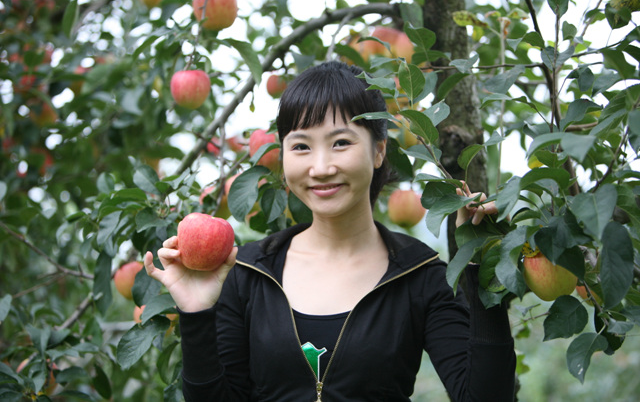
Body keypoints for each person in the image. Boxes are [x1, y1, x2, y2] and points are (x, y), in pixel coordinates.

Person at [144, 61, 516, 401]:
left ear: (378, 151)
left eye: (340, 143)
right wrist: (196, 312)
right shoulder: (248, 271)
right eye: (301, 146)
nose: (320, 168)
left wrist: (481, 267)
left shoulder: (420, 274)